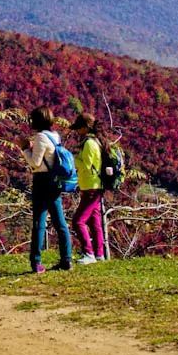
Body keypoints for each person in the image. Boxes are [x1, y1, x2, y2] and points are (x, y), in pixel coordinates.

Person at [16, 106, 72, 273]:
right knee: (60, 222)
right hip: (54, 182)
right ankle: (66, 259)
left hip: (42, 181)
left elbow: (35, 163)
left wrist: (25, 148)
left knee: (39, 222)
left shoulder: (40, 137)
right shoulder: (55, 136)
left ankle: (36, 262)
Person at [70, 112, 105, 264]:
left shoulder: (90, 143)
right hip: (93, 186)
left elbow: (86, 165)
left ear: (85, 128)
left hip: (91, 187)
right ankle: (99, 254)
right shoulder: (96, 142)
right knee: (94, 222)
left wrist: (73, 159)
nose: (77, 131)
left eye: (79, 128)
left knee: (78, 221)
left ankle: (88, 253)